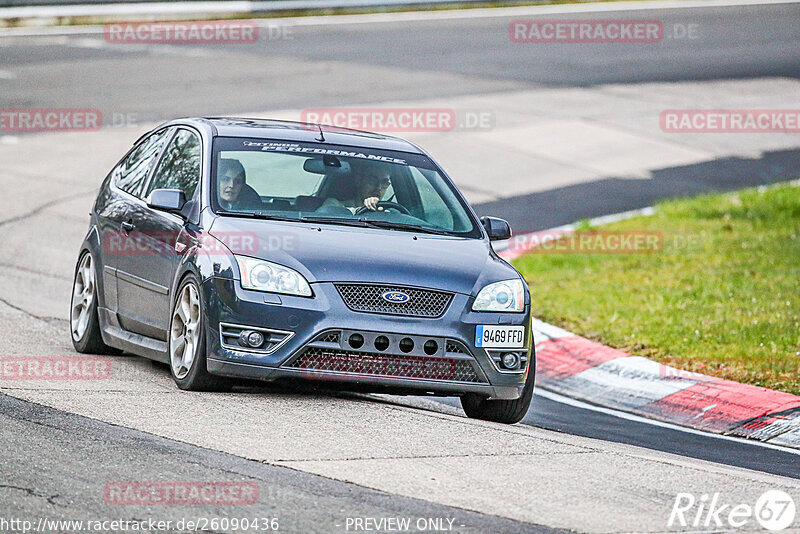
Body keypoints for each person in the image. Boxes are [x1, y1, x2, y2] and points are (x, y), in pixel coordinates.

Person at [319, 163, 392, 214]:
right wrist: (365, 209)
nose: (379, 187)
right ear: (359, 181)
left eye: (384, 183)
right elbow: (323, 217)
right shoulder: (334, 204)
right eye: (373, 180)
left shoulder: (387, 214)